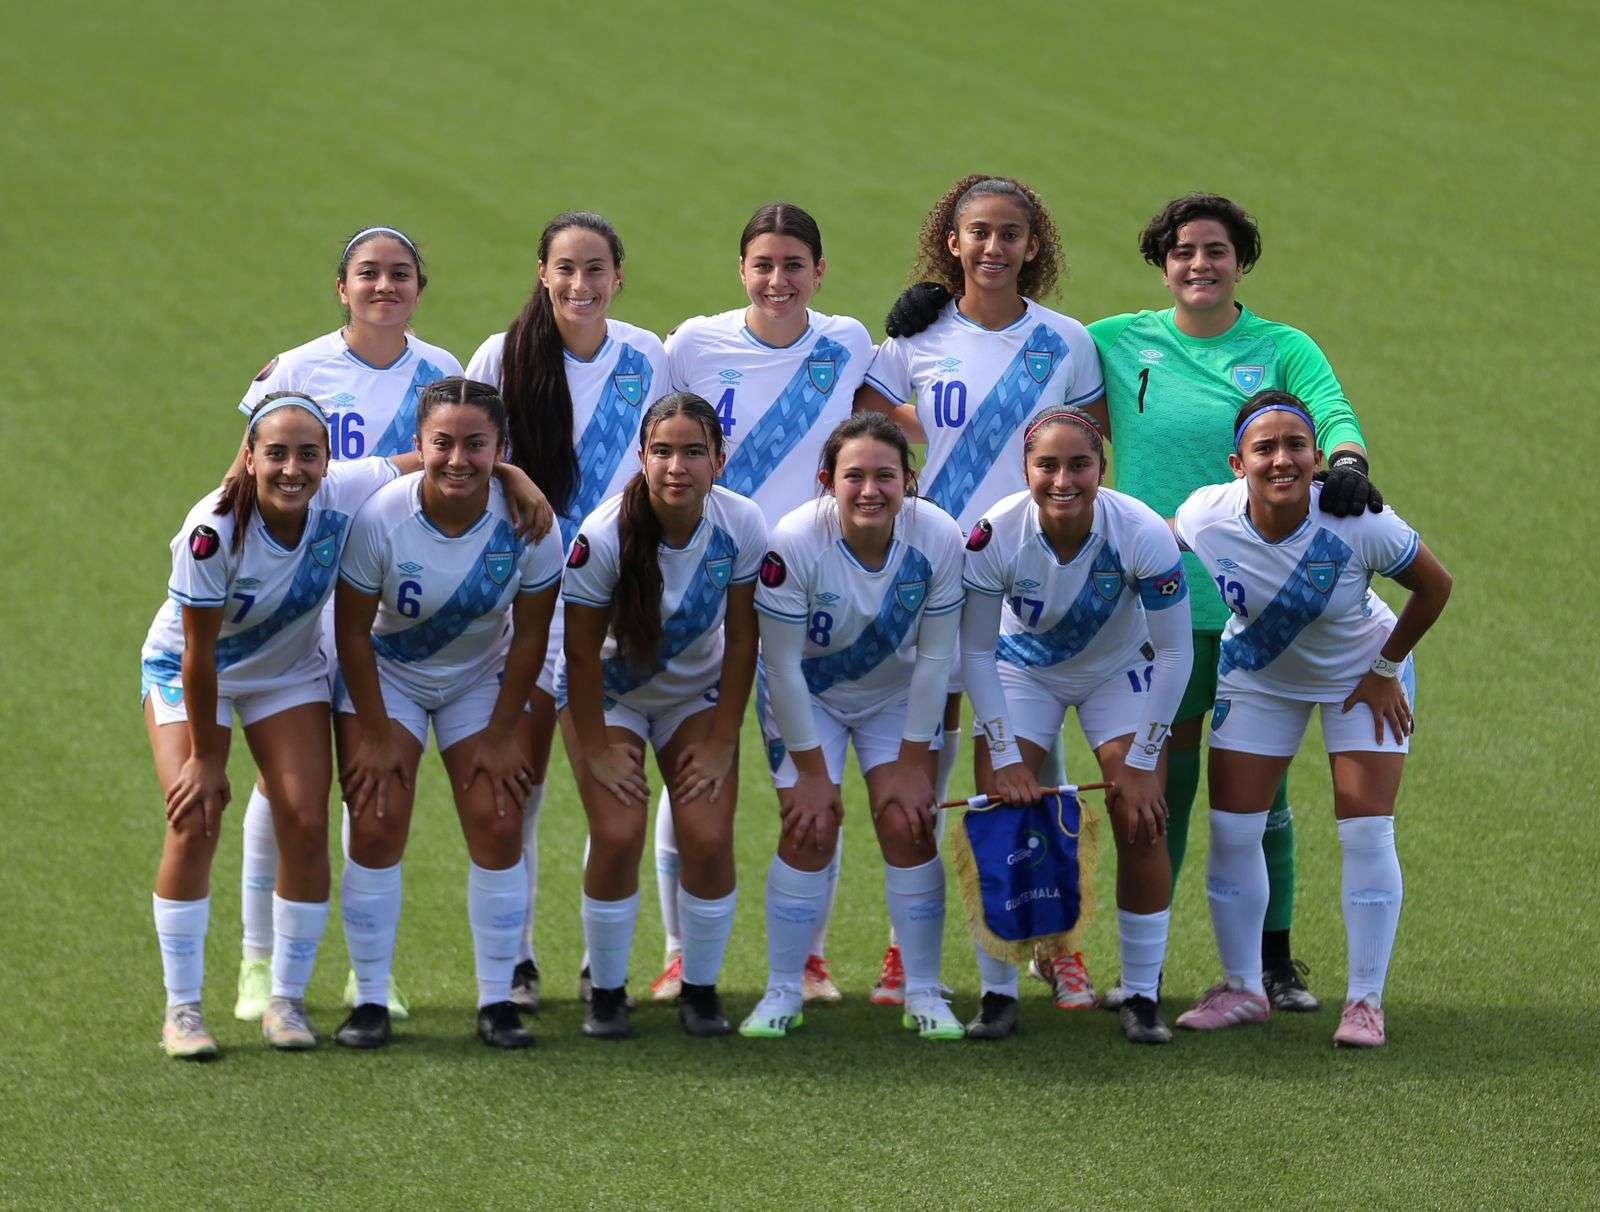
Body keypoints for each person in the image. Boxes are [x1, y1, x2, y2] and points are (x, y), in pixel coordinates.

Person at [1085, 194, 1383, 1012]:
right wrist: (939, 310)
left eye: (1216, 250)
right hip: (1159, 608)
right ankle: (1142, 972)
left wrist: (1348, 463)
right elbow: (1024, 355)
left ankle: (1273, 964)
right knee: (1160, 787)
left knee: (1261, 796)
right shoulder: (1117, 340)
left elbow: (1333, 415)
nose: (1199, 264)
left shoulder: (1282, 347)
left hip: (1265, 609)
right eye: (1182, 251)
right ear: (1162, 264)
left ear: (1240, 262)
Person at [857, 173, 1105, 1009]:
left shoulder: (1066, 341)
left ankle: (1057, 945)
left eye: (1010, 234)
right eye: (979, 232)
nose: (994, 247)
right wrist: (929, 437)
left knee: (1034, 764)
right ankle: (906, 949)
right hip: (935, 572)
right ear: (952, 242)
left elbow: (1091, 448)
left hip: (1032, 579)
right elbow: (868, 433)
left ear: (1034, 247)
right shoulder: (913, 340)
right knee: (923, 763)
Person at [231, 224, 463, 1024]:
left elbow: (464, 462)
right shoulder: (297, 370)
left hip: (395, 608)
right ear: (342, 288)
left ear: (420, 288)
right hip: (306, 601)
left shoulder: (443, 372)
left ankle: (371, 974)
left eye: (400, 273)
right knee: (283, 785)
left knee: (376, 791)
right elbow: (244, 477)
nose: (384, 286)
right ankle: (258, 962)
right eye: (369, 273)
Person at [1171, 393, 1450, 1047]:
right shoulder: (1207, 514)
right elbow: (1148, 540)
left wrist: (1385, 668)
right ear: (1237, 463)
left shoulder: (1359, 521)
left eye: (1295, 445)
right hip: (1261, 675)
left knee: (1366, 832)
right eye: (1264, 448)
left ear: (1317, 457)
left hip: (1362, 678)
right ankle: (1243, 989)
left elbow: (1435, 585)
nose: (1281, 459)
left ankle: (1365, 1003)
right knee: (1233, 831)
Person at [650, 202, 874, 1006]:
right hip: (705, 589)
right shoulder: (693, 344)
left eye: (794, 265)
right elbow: (660, 445)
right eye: (763, 265)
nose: (778, 280)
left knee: (809, 776)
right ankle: (678, 954)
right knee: (691, 770)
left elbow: (893, 413)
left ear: (820, 271)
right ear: (741, 270)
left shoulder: (848, 342)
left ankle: (809, 959)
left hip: (808, 595)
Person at [144, 393, 414, 1056]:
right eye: (276, 454)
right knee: (195, 816)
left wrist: (513, 478)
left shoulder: (342, 491)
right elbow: (199, 653)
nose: (292, 470)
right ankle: (183, 1011)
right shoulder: (212, 530)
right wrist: (206, 759)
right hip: (191, 670)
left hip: (285, 672)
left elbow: (430, 460)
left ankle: (286, 1001)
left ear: (327, 459)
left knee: (305, 817)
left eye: (307, 455)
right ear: (249, 457)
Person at [466, 211, 670, 1011]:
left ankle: (601, 966)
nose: (580, 285)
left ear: (619, 276)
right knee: (515, 789)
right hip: (519, 605)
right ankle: (515, 964)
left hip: (610, 610)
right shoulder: (500, 357)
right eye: (566, 269)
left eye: (595, 270)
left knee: (611, 795)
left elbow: (667, 461)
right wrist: (512, 475)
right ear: (543, 274)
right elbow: (465, 451)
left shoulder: (647, 357)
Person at [333, 378, 564, 1050]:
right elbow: (351, 633)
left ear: (500, 449)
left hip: (478, 678)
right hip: (389, 676)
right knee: (376, 821)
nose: (458, 459)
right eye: (443, 443)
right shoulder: (381, 517)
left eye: (475, 444)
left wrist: (502, 733)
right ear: (419, 444)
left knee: (499, 820)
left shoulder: (530, 524)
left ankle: (497, 1002)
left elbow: (532, 635)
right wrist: (376, 733)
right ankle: (369, 999)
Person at [959, 407, 1192, 1043]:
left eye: (1079, 465)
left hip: (1118, 669)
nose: (1063, 481)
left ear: (1101, 469)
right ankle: (998, 993)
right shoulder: (994, 535)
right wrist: (1005, 756)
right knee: (1000, 817)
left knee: (1141, 820)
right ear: (1025, 470)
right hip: (1023, 668)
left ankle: (1142, 994)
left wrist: (1141, 763)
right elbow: (975, 653)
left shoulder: (1142, 531)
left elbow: (1176, 655)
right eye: (1048, 466)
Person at [740, 414, 966, 1041]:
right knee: (810, 827)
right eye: (854, 476)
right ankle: (783, 990)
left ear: (908, 481)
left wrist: (916, 764)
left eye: (885, 476)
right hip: (808, 694)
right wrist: (813, 775)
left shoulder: (938, 537)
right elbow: (781, 667)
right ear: (827, 482)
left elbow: (936, 660)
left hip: (895, 695)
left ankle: (923, 992)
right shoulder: (794, 542)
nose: (870, 490)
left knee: (907, 823)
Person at [557, 393, 765, 1039]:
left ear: (719, 461)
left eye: (694, 452)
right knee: (618, 833)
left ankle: (700, 989)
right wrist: (596, 749)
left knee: (707, 834)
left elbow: (743, 639)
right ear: (642, 458)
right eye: (663, 452)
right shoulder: (602, 536)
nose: (678, 467)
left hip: (693, 695)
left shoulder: (742, 524)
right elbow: (579, 654)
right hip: (609, 696)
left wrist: (724, 739)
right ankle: (607, 992)